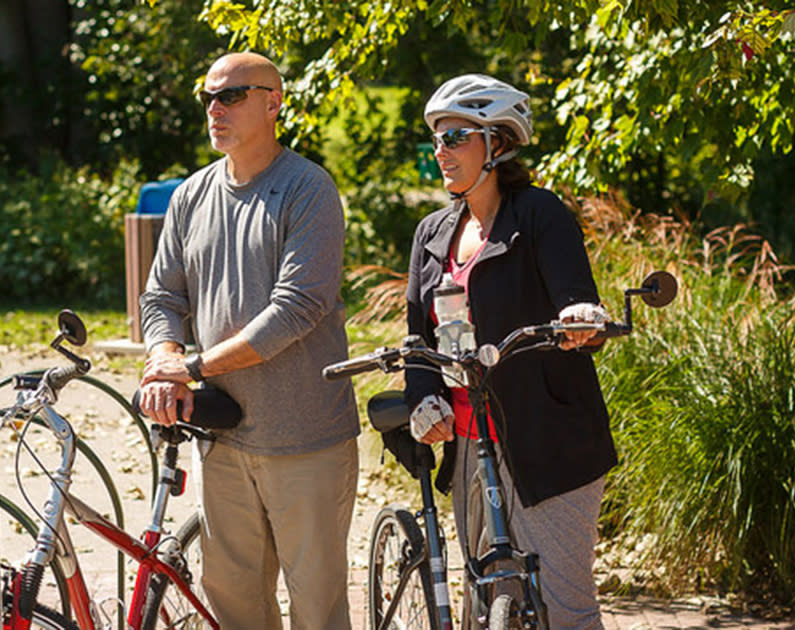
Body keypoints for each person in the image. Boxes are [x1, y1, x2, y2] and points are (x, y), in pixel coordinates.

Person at [136, 52, 359, 630]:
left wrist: (193, 367)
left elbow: (297, 308)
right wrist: (164, 357)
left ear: (273, 102)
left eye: (232, 95)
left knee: (317, 608)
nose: (215, 108)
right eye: (208, 97)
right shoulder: (190, 196)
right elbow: (161, 298)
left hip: (305, 436)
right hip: (221, 437)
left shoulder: (307, 188)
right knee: (235, 604)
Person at [403, 73, 613, 630]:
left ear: (496, 143)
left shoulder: (539, 215)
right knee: (484, 599)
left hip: (548, 440)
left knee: (563, 607)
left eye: (456, 138)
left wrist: (579, 318)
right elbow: (416, 340)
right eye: (437, 139)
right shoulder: (431, 232)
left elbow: (576, 299)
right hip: (471, 440)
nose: (440, 151)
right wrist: (424, 394)